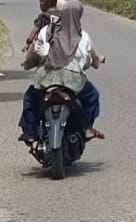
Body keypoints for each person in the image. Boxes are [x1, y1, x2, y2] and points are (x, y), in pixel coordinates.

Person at [18, 0, 103, 144]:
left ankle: (29, 132)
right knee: (92, 96)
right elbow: (93, 60)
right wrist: (97, 61)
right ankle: (88, 127)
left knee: (30, 99)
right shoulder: (84, 36)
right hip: (73, 82)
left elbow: (33, 55)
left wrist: (27, 64)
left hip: (46, 79)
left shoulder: (46, 31)